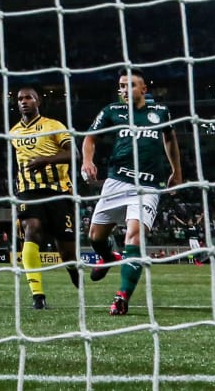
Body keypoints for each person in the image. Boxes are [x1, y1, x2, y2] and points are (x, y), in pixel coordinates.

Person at [81, 68, 182, 316]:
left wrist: (176, 172)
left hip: (148, 186)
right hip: (117, 182)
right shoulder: (111, 111)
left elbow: (170, 140)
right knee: (95, 237)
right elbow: (90, 138)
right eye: (122, 86)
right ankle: (109, 257)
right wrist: (87, 160)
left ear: (144, 89)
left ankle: (122, 296)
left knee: (134, 238)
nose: (125, 90)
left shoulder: (161, 112)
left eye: (131, 85)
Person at [9, 85, 79, 310]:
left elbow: (74, 154)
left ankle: (72, 269)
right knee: (32, 231)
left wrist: (46, 160)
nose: (23, 101)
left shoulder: (54, 126)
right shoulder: (13, 132)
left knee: (67, 251)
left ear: (38, 101)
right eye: (20, 98)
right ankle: (37, 296)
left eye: (28, 97)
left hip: (58, 192)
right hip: (28, 191)